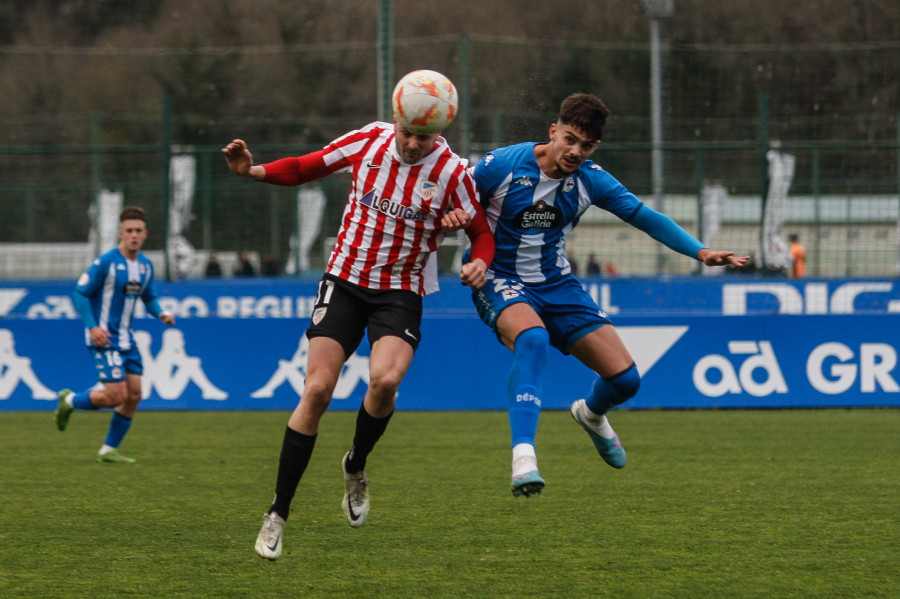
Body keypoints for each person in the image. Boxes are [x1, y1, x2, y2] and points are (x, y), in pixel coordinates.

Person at [222, 71, 494, 561]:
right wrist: (253, 171)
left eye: (423, 137)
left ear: (440, 134)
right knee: (318, 390)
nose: (412, 144)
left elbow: (481, 231)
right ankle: (277, 514)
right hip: (344, 281)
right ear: (394, 120)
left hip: (399, 292)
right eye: (406, 132)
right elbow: (306, 166)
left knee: (385, 382)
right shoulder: (368, 141)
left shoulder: (453, 173)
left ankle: (355, 466)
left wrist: (478, 260)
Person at [466, 93, 748, 497]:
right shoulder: (502, 165)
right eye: (570, 139)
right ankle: (523, 458)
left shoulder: (590, 179)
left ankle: (591, 414)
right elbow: (456, 202)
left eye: (587, 145)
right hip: (497, 277)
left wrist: (701, 251)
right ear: (553, 131)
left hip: (558, 285)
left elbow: (647, 218)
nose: (575, 151)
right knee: (532, 339)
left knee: (626, 379)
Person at [54, 206, 175, 463]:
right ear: (120, 233)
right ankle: (70, 401)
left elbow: (149, 297)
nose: (134, 235)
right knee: (115, 396)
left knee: (134, 395)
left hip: (126, 339)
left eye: (138, 231)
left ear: (145, 234)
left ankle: (108, 451)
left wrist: (162, 313)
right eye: (129, 230)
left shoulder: (145, 266)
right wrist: (93, 326)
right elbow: (80, 293)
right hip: (103, 338)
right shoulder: (106, 262)